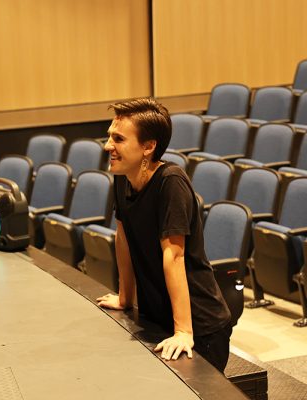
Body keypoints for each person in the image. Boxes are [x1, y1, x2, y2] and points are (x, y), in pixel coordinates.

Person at [96, 97, 233, 373]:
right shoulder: (123, 175)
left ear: (148, 146)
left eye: (119, 139)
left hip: (200, 327)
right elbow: (123, 237)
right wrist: (125, 297)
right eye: (110, 136)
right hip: (157, 317)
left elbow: (174, 255)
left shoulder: (171, 182)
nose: (108, 145)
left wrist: (183, 331)